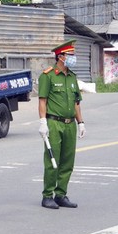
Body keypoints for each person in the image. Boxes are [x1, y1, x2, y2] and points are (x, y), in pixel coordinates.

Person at [38, 40, 86, 209]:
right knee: (52, 160)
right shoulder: (48, 76)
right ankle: (47, 195)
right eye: (70, 55)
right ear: (61, 57)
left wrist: (80, 122)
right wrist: (43, 122)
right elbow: (42, 101)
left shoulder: (72, 77)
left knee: (67, 161)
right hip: (54, 123)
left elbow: (76, 103)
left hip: (69, 124)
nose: (73, 58)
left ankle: (61, 194)